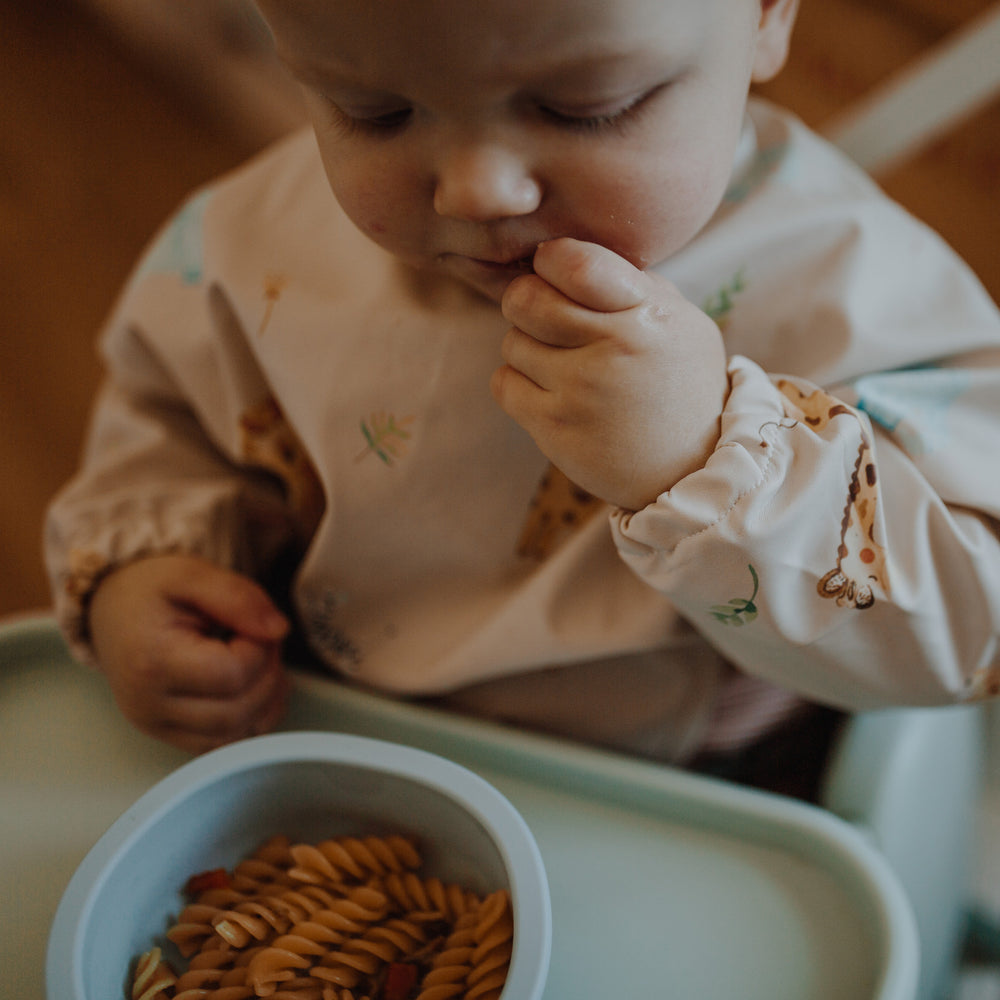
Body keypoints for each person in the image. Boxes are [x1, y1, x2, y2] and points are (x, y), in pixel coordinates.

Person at [45, 0, 1000, 793]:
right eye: (374, 110)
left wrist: (710, 458)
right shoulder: (255, 246)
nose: (477, 191)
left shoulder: (847, 282)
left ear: (763, 14)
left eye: (585, 106)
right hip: (327, 729)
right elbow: (169, 423)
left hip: (685, 785)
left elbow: (975, 612)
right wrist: (146, 569)